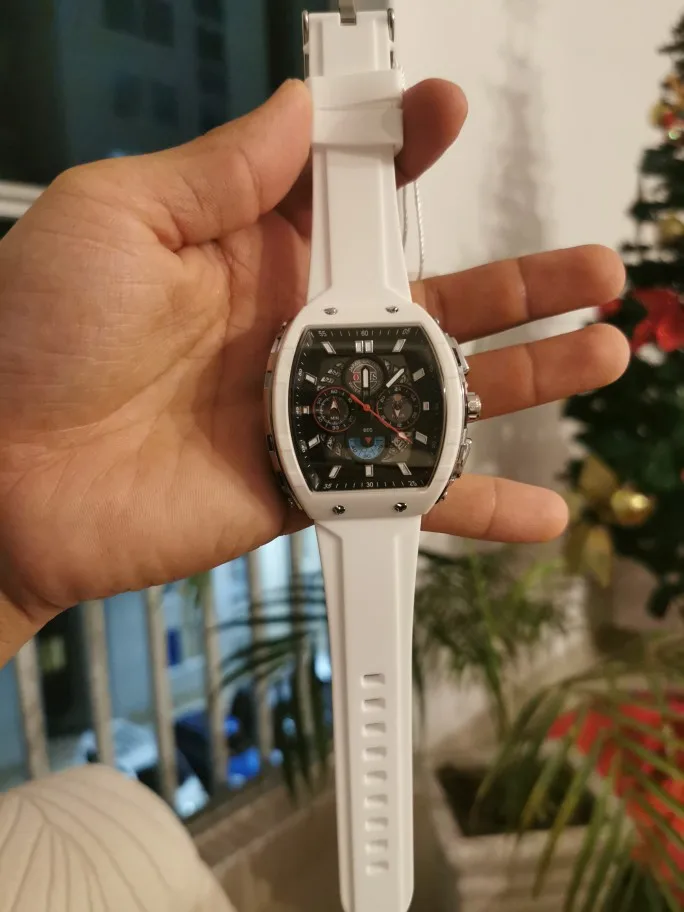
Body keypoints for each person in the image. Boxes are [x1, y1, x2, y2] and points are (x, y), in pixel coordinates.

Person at [0, 76, 629, 912]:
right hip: (350, 489)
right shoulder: (351, 365)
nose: (369, 410)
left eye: (379, 407)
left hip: (357, 490)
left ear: (457, 401)